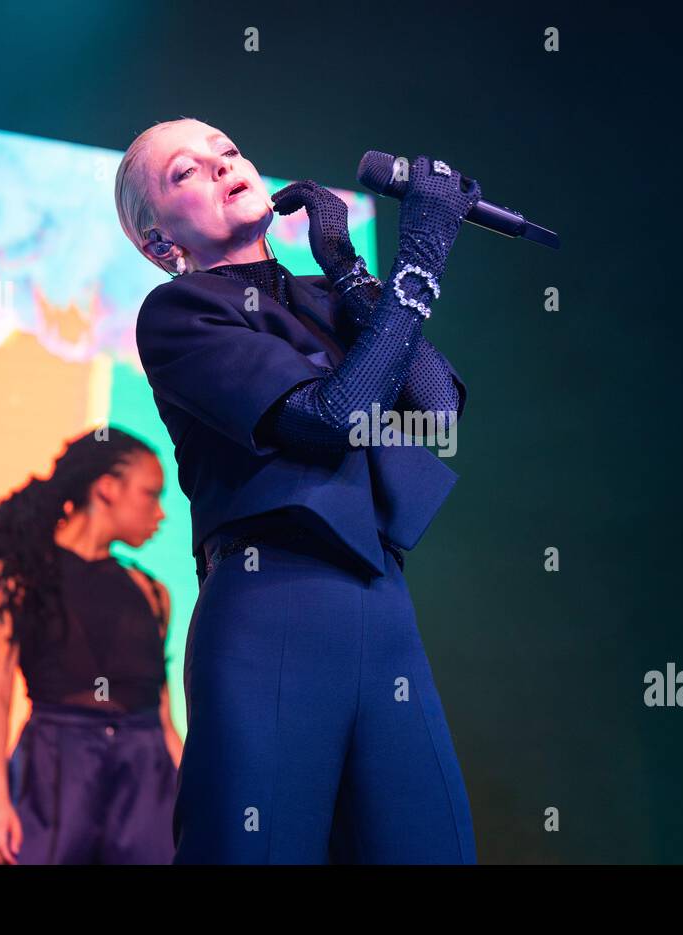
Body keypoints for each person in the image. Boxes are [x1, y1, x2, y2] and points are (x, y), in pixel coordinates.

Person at [116, 117, 481, 863]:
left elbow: (437, 408)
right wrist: (421, 252)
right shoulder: (182, 313)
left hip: (383, 608)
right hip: (273, 604)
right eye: (186, 172)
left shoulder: (324, 296)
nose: (221, 166)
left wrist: (350, 267)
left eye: (227, 150)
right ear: (159, 244)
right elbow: (328, 419)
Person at [0, 428, 180, 864]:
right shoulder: (17, 578)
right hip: (57, 774)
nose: (160, 513)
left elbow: (163, 720)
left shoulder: (151, 593)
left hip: (145, 786)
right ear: (107, 487)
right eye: (151, 495)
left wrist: (189, 799)